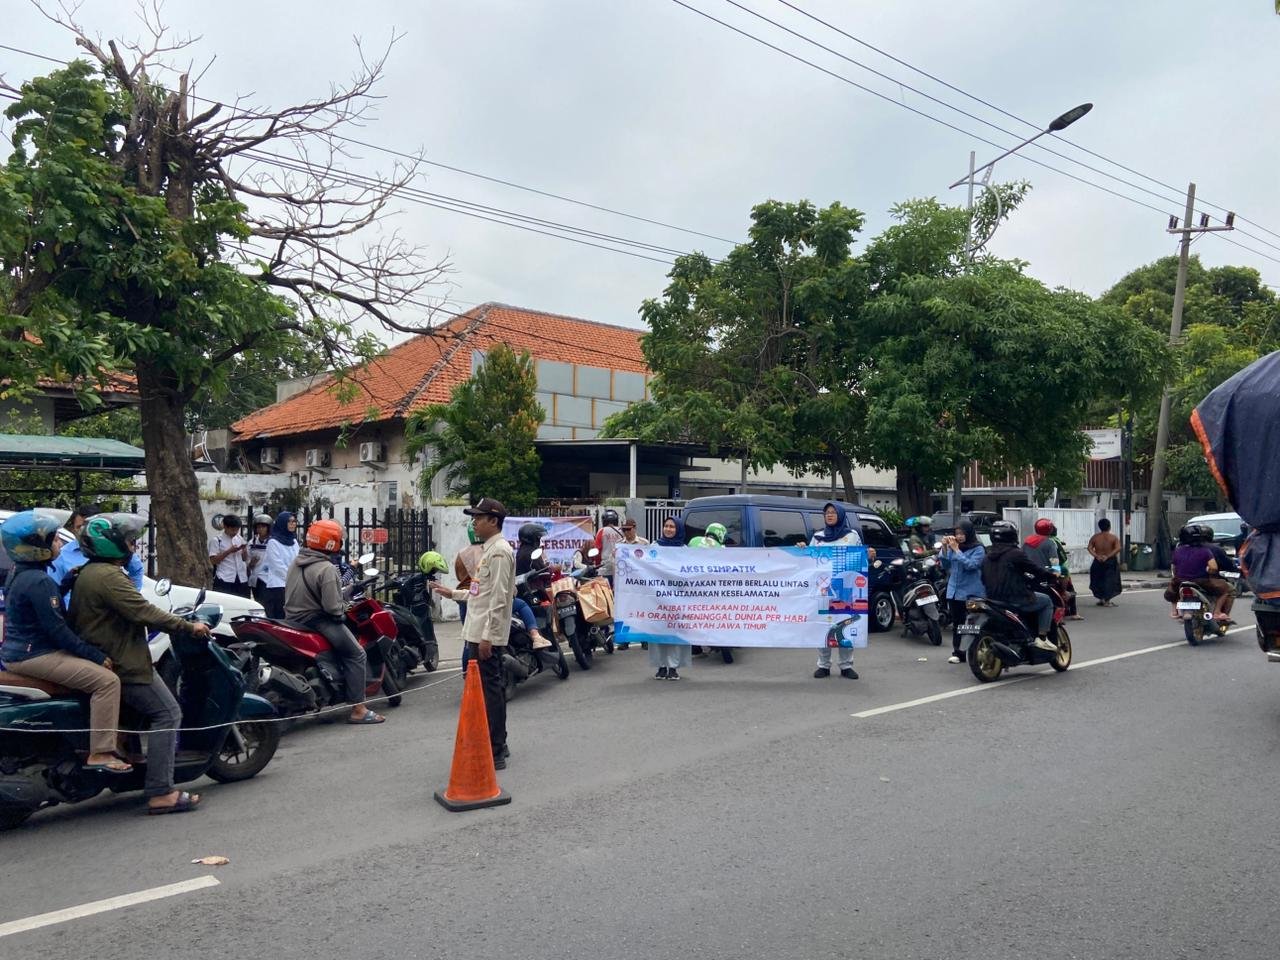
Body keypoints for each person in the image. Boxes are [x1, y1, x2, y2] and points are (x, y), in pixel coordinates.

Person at [68, 513, 212, 814]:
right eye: (129, 541)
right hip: (124, 662)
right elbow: (143, 611)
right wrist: (189, 626)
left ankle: (133, 764)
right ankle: (161, 791)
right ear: (111, 544)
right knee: (168, 713)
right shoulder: (107, 577)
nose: (133, 546)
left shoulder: (91, 572)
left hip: (107, 654)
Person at [0, 510, 129, 773]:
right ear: (37, 547)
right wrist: (94, 655)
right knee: (107, 681)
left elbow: (41, 609)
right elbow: (58, 630)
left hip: (19, 652)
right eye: (54, 539)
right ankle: (101, 752)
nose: (59, 543)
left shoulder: (20, 573)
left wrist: (66, 583)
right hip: (36, 655)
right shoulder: (39, 581)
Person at [433, 498, 514, 769]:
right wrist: (452, 593)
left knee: (491, 692)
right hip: (477, 630)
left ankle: (496, 750)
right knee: (488, 690)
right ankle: (497, 743)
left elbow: (500, 598)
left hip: (484, 634)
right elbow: (480, 593)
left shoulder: (499, 552)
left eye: (479, 518)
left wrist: (488, 636)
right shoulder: (489, 550)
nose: (474, 522)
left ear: (493, 521)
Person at [284, 519, 384, 724]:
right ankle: (359, 709)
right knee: (356, 654)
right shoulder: (326, 568)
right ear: (331, 543)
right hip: (317, 621)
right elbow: (332, 607)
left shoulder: (296, 562)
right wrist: (342, 608)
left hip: (292, 619)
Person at [981, 520, 1059, 652]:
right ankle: (1042, 638)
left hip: (993, 599)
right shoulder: (1018, 552)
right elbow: (1038, 567)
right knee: (1046, 601)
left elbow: (984, 578)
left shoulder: (988, 555)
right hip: (1016, 597)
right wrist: (1053, 575)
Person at [808, 502, 863, 680]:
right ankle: (823, 665)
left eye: (833, 512)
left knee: (845, 625)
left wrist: (869, 555)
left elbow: (860, 557)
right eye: (827, 513)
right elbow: (808, 559)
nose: (830, 515)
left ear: (840, 515)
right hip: (823, 588)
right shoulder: (817, 537)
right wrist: (802, 549)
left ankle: (846, 665)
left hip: (846, 589)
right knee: (823, 626)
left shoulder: (851, 535)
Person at [49, 505, 144, 604]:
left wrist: (130, 598)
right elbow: (54, 592)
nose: (83, 532)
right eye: (79, 527)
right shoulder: (62, 554)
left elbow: (137, 570)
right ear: (73, 528)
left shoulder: (114, 549)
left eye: (87, 527)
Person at [649, 516, 691, 680]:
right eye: (666, 526)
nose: (668, 529)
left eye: (672, 527)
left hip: (677, 598)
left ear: (678, 529)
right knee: (658, 633)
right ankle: (660, 666)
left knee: (675, 633)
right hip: (658, 597)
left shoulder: (684, 550)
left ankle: (673, 667)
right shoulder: (655, 546)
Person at [939, 519, 985, 665]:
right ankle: (958, 652)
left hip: (971, 592)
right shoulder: (954, 547)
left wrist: (957, 551)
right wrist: (945, 548)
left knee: (972, 624)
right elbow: (945, 565)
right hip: (954, 591)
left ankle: (974, 651)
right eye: (957, 533)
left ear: (969, 533)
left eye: (962, 533)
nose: (959, 536)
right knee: (958, 624)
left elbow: (971, 565)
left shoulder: (978, 549)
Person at [1163, 524, 1231, 621]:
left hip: (1180, 581)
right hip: (1201, 581)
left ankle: (1174, 611)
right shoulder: (1205, 551)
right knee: (1225, 589)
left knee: (1173, 590)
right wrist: (1209, 571)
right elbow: (1213, 568)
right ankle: (1217, 612)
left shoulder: (1178, 551)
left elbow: (1174, 568)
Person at [260, 511, 298, 619]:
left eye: (294, 521)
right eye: (289, 521)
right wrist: (292, 578)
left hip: (292, 585)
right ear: (282, 523)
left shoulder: (294, 541)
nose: (292, 524)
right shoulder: (273, 542)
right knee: (280, 616)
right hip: (278, 586)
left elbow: (298, 560)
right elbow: (277, 566)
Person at [1201, 524, 1239, 621]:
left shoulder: (1185, 548)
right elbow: (1227, 564)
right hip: (1208, 580)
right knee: (1230, 590)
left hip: (1185, 579)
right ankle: (1220, 615)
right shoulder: (1215, 549)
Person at [208, 514, 250, 597]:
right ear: (225, 527)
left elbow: (244, 559)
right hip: (224, 578)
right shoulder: (217, 540)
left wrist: (244, 550)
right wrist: (229, 551)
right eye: (233, 530)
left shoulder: (239, 538)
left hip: (241, 578)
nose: (235, 532)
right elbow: (213, 561)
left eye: (237, 530)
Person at [1087, 518, 1123, 607]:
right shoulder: (1113, 537)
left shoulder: (1095, 537)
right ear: (1109, 527)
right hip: (1110, 561)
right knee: (1110, 580)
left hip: (1098, 560)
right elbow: (1118, 548)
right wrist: (1107, 556)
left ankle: (1102, 599)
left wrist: (1097, 556)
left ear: (1100, 527)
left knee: (1098, 579)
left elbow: (1089, 548)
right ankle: (1106, 600)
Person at [453, 523, 484, 624]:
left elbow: (458, 576)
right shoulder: (489, 551)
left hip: (463, 595)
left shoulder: (461, 553)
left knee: (467, 629)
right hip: (481, 596)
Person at [247, 513, 273, 606]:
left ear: (268, 528)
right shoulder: (252, 542)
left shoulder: (273, 542)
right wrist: (251, 563)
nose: (260, 529)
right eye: (258, 527)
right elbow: (247, 563)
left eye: (263, 527)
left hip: (268, 578)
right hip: (256, 578)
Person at [594, 508, 624, 586]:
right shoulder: (622, 531)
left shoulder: (601, 531)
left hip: (605, 568)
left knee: (605, 591)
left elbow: (597, 551)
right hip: (620, 568)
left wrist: (597, 565)